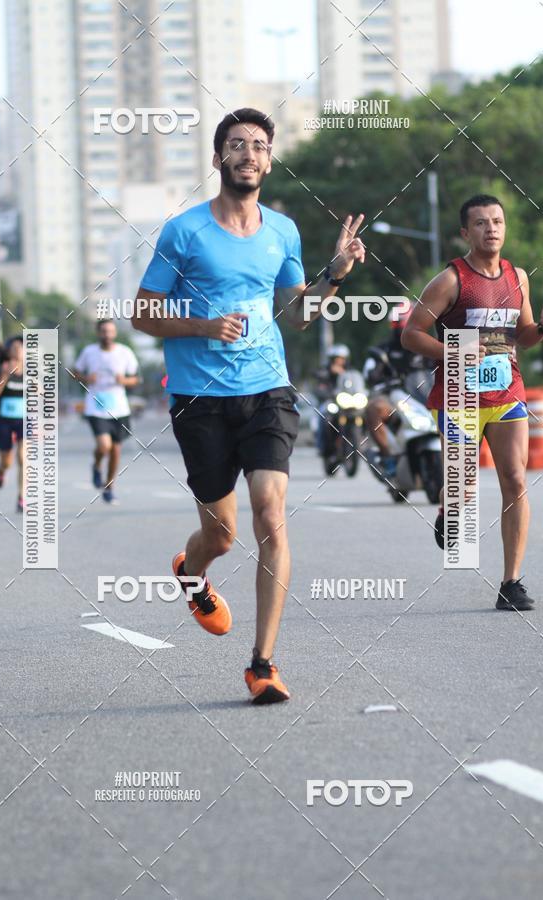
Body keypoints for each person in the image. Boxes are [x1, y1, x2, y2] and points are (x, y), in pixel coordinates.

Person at [133, 107, 365, 703]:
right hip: (201, 399)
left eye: (259, 145)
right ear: (218, 160)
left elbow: (300, 313)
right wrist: (205, 324)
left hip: (268, 390)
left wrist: (334, 275)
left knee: (270, 511)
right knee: (222, 536)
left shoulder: (283, 231)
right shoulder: (184, 231)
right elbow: (142, 313)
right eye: (236, 144)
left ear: (268, 160)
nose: (248, 153)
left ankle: (262, 664)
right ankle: (191, 570)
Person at [402, 194, 543, 611]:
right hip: (458, 396)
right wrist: (455, 352)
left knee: (516, 480)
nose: (492, 229)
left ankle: (511, 582)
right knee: (465, 493)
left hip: (507, 392)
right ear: (465, 232)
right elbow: (411, 334)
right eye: (482, 223)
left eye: (498, 221)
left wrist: (542, 326)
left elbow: (522, 336)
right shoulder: (451, 280)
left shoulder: (518, 276)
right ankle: (450, 509)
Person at [73, 319, 140, 504]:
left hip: (119, 408)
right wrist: (86, 377)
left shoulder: (124, 352)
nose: (107, 335)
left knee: (116, 451)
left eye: (110, 331)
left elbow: (135, 379)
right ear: (98, 333)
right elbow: (74, 373)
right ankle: (96, 465)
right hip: (96, 407)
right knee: (104, 446)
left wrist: (124, 381)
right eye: (103, 331)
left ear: (115, 333)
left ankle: (109, 487)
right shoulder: (89, 352)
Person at [363, 306, 432, 477]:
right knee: (373, 408)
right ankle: (388, 456)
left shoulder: (429, 346)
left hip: (425, 397)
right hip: (395, 399)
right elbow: (370, 372)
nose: (405, 329)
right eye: (400, 325)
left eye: (409, 324)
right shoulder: (384, 350)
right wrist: (377, 375)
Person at [0, 336, 25, 513]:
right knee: (7, 461)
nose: (18, 351)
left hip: (24, 420)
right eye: (15, 347)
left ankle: (21, 497)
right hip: (4, 420)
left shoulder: (31, 372)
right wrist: (5, 375)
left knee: (23, 457)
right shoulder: (0, 370)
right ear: (9, 351)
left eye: (22, 348)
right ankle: (1, 472)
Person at [314, 344, 351, 455]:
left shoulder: (350, 372)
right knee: (324, 416)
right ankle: (322, 446)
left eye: (341, 358)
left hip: (347, 402)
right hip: (330, 401)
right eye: (336, 358)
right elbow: (320, 387)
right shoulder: (325, 372)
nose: (339, 361)